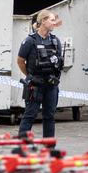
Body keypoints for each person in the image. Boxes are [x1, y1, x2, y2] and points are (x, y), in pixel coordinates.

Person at [17, 9, 64, 138]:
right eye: (52, 20)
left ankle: (49, 147)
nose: (54, 23)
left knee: (49, 116)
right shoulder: (30, 41)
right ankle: (22, 144)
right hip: (35, 85)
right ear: (43, 21)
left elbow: (59, 62)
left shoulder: (55, 41)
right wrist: (29, 75)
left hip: (51, 85)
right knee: (30, 115)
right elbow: (20, 60)